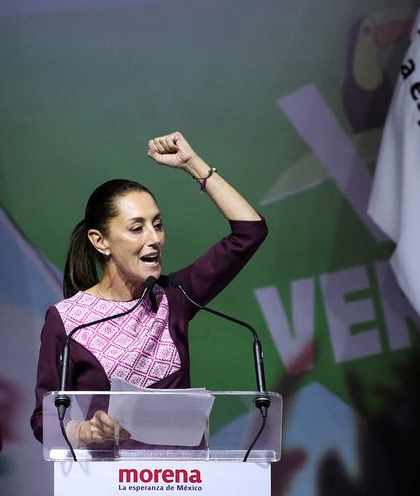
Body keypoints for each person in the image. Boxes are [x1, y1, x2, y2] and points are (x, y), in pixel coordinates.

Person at [30, 132, 267, 446]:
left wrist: (193, 165)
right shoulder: (69, 321)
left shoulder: (174, 297)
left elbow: (250, 232)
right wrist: (85, 430)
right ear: (100, 241)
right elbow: (43, 420)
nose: (154, 238)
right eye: (137, 228)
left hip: (181, 480)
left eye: (158, 224)